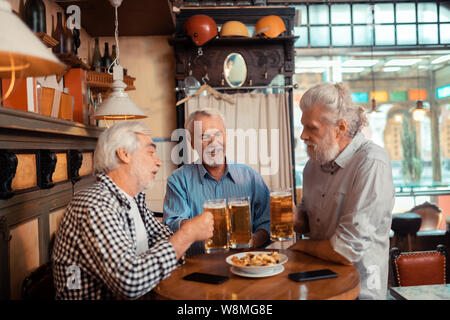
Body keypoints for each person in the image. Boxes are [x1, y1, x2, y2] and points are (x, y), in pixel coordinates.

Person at [51, 121, 214, 300]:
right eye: (151, 152)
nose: (159, 162)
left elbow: (164, 239)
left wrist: (180, 240)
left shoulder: (134, 199)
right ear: (124, 154)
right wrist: (187, 234)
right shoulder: (95, 204)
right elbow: (129, 281)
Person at [292, 82, 395, 300]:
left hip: (360, 292)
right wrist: (293, 217)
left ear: (340, 128)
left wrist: (301, 246)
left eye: (311, 128)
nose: (302, 135)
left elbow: (346, 251)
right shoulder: (312, 166)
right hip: (320, 287)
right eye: (303, 126)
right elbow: (310, 224)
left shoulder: (372, 163)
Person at [163, 108, 271, 256]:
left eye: (218, 134)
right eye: (204, 136)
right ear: (192, 143)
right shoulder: (179, 180)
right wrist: (197, 227)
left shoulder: (250, 177)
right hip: (197, 268)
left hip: (244, 265)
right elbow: (171, 226)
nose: (213, 142)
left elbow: (268, 222)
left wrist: (253, 241)